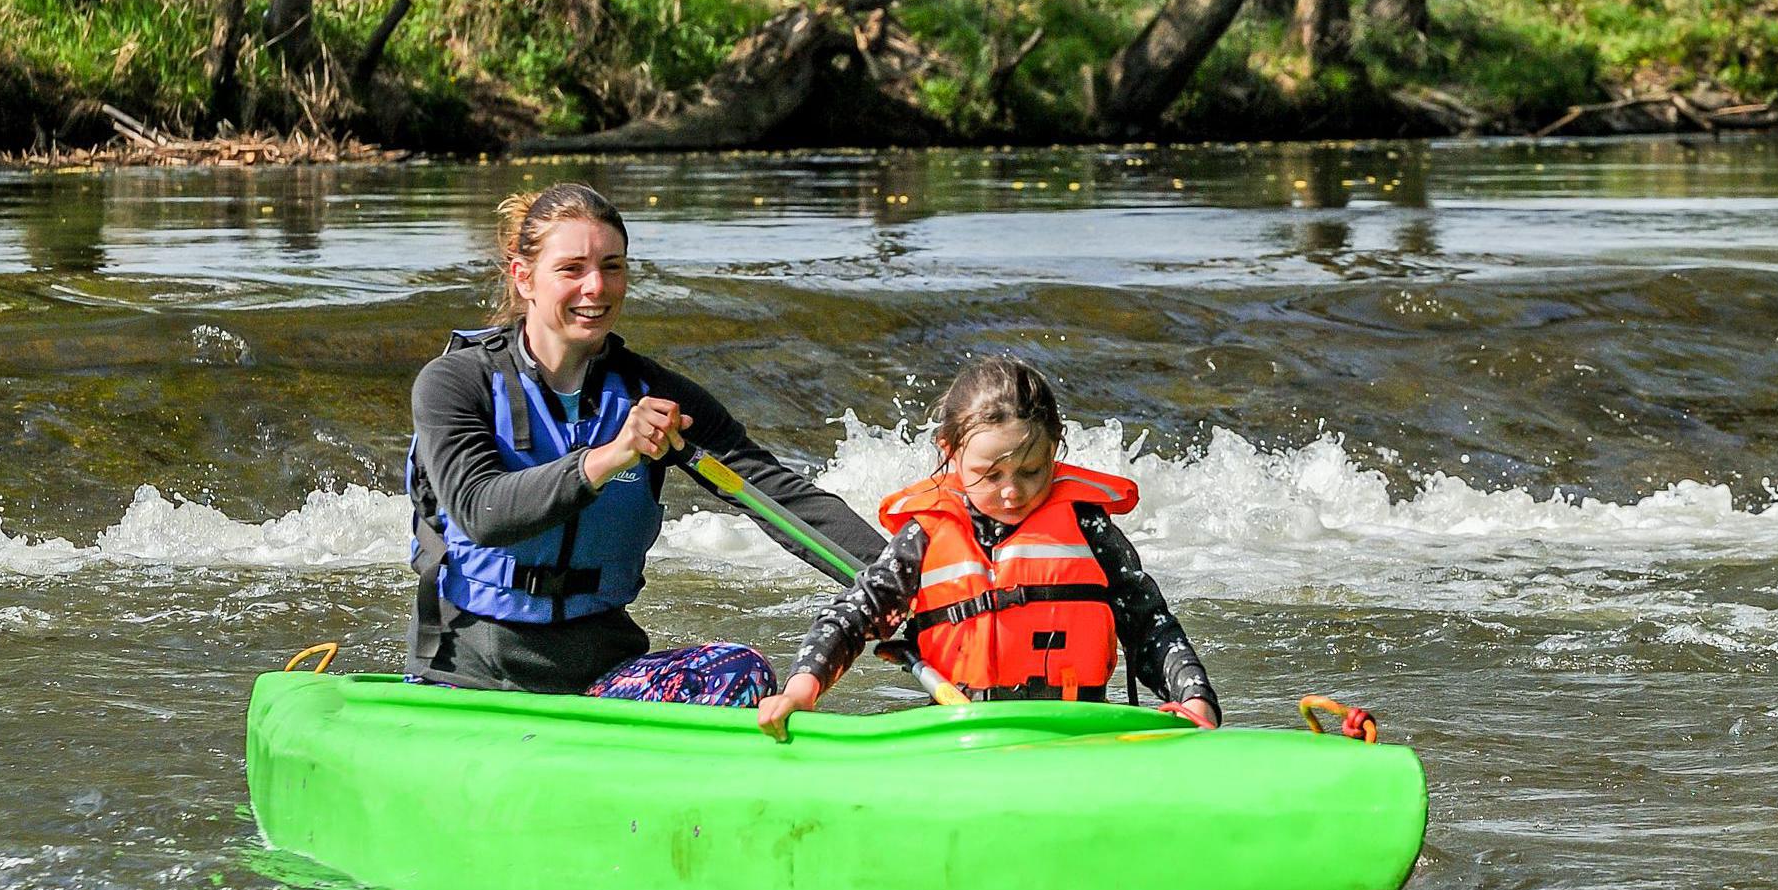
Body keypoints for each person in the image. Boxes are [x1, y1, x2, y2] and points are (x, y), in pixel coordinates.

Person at [404, 183, 882, 701]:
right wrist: (611, 456)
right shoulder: (454, 383)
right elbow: (482, 512)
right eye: (571, 269)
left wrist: (908, 587)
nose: (596, 287)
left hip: (599, 682)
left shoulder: (655, 395)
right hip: (466, 679)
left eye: (612, 267)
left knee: (739, 672)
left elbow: (782, 499)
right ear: (524, 277)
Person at [757, 356, 1221, 739]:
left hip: (1075, 736)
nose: (1012, 492)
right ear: (950, 451)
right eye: (989, 475)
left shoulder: (1087, 526)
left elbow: (1149, 624)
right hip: (964, 737)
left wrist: (1194, 697)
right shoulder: (926, 535)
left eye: (1032, 471)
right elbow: (854, 616)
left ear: (1054, 449)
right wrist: (801, 689)